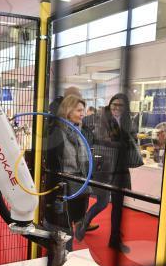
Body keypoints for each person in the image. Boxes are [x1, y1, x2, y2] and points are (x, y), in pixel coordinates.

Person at [75, 93, 136, 253]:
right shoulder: (98, 118)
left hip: (121, 169)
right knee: (102, 202)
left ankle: (115, 239)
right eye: (114, 104)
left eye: (120, 105)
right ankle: (83, 223)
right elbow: (83, 126)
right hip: (103, 166)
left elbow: (132, 140)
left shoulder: (128, 122)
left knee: (118, 206)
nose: (116, 108)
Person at [43, 94, 89, 251]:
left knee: (67, 233)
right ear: (68, 111)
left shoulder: (77, 131)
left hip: (76, 188)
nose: (83, 114)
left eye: (83, 110)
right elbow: (52, 164)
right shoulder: (56, 132)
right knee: (63, 235)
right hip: (62, 190)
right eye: (79, 110)